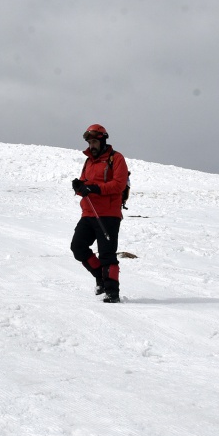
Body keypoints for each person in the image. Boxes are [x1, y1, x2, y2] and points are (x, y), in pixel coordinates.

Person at [71, 124, 130, 303]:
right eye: (90, 142)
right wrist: (79, 186)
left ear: (103, 140)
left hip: (109, 214)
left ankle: (112, 292)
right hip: (88, 212)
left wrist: (93, 188)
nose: (92, 145)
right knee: (78, 247)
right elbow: (85, 184)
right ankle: (101, 278)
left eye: (95, 141)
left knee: (107, 253)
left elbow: (119, 185)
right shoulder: (88, 161)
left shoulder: (116, 158)